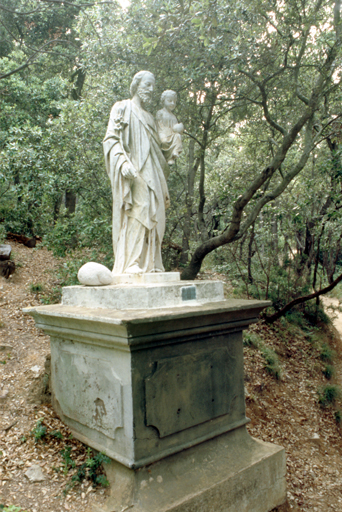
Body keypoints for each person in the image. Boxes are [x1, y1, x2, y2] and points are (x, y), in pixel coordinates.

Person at [103, 71, 170, 274]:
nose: (151, 89)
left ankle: (151, 264)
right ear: (136, 84)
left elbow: (160, 149)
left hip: (153, 171)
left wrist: (174, 138)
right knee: (139, 209)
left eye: (153, 86)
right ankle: (131, 262)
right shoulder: (122, 107)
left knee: (155, 211)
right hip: (135, 170)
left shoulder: (150, 117)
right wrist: (122, 162)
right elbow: (111, 139)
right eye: (147, 84)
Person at [156, 90, 184, 165]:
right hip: (163, 132)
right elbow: (158, 125)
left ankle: (172, 154)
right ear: (163, 101)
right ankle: (165, 156)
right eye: (170, 101)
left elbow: (175, 128)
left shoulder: (173, 116)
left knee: (178, 137)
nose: (172, 103)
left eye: (174, 101)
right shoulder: (160, 113)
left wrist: (179, 128)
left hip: (172, 133)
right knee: (164, 141)